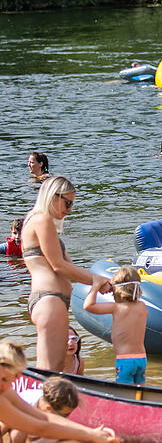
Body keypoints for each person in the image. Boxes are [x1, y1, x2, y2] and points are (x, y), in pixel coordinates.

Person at [21, 176, 110, 371]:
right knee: (48, 371)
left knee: (57, 370)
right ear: (53, 196)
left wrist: (102, 283)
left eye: (72, 204)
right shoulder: (42, 220)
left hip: (53, 301)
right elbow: (58, 266)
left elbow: (71, 268)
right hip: (49, 300)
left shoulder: (41, 223)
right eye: (67, 203)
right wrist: (97, 280)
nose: (69, 210)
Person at [0, 340, 121, 443]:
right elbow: (39, 428)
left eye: (12, 380)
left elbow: (43, 417)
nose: (7, 386)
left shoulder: (5, 391)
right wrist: (91, 436)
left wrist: (91, 432)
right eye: (4, 379)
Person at [83, 267, 148, 384]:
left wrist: (96, 286)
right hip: (142, 358)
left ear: (117, 290)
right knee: (140, 391)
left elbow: (88, 306)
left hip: (125, 360)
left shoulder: (116, 307)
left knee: (124, 391)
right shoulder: (142, 307)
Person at [10, 376, 80, 442]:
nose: (66, 417)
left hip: (34, 424)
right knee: (21, 427)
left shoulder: (50, 404)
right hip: (12, 421)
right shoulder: (25, 403)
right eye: (65, 415)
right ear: (48, 408)